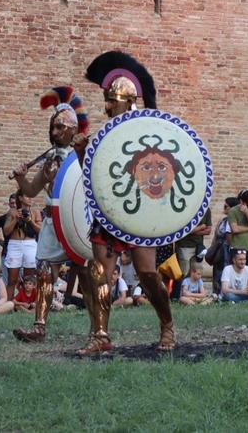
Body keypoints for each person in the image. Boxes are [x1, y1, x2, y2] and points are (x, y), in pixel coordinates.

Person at [75, 51, 176, 354]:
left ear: (129, 101)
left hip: (141, 212)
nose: (106, 106)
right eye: (106, 100)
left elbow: (163, 170)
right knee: (99, 276)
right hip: (108, 215)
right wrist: (82, 153)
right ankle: (100, 335)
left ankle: (167, 325)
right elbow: (94, 177)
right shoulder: (102, 137)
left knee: (147, 274)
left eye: (112, 100)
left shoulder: (150, 133)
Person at [10, 86, 89, 343]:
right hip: (52, 222)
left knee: (89, 275)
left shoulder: (82, 157)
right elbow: (31, 190)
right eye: (52, 127)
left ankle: (99, 330)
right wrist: (21, 177)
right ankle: (39, 326)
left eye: (60, 127)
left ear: (72, 129)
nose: (55, 132)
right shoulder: (49, 160)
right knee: (43, 270)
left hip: (78, 222)